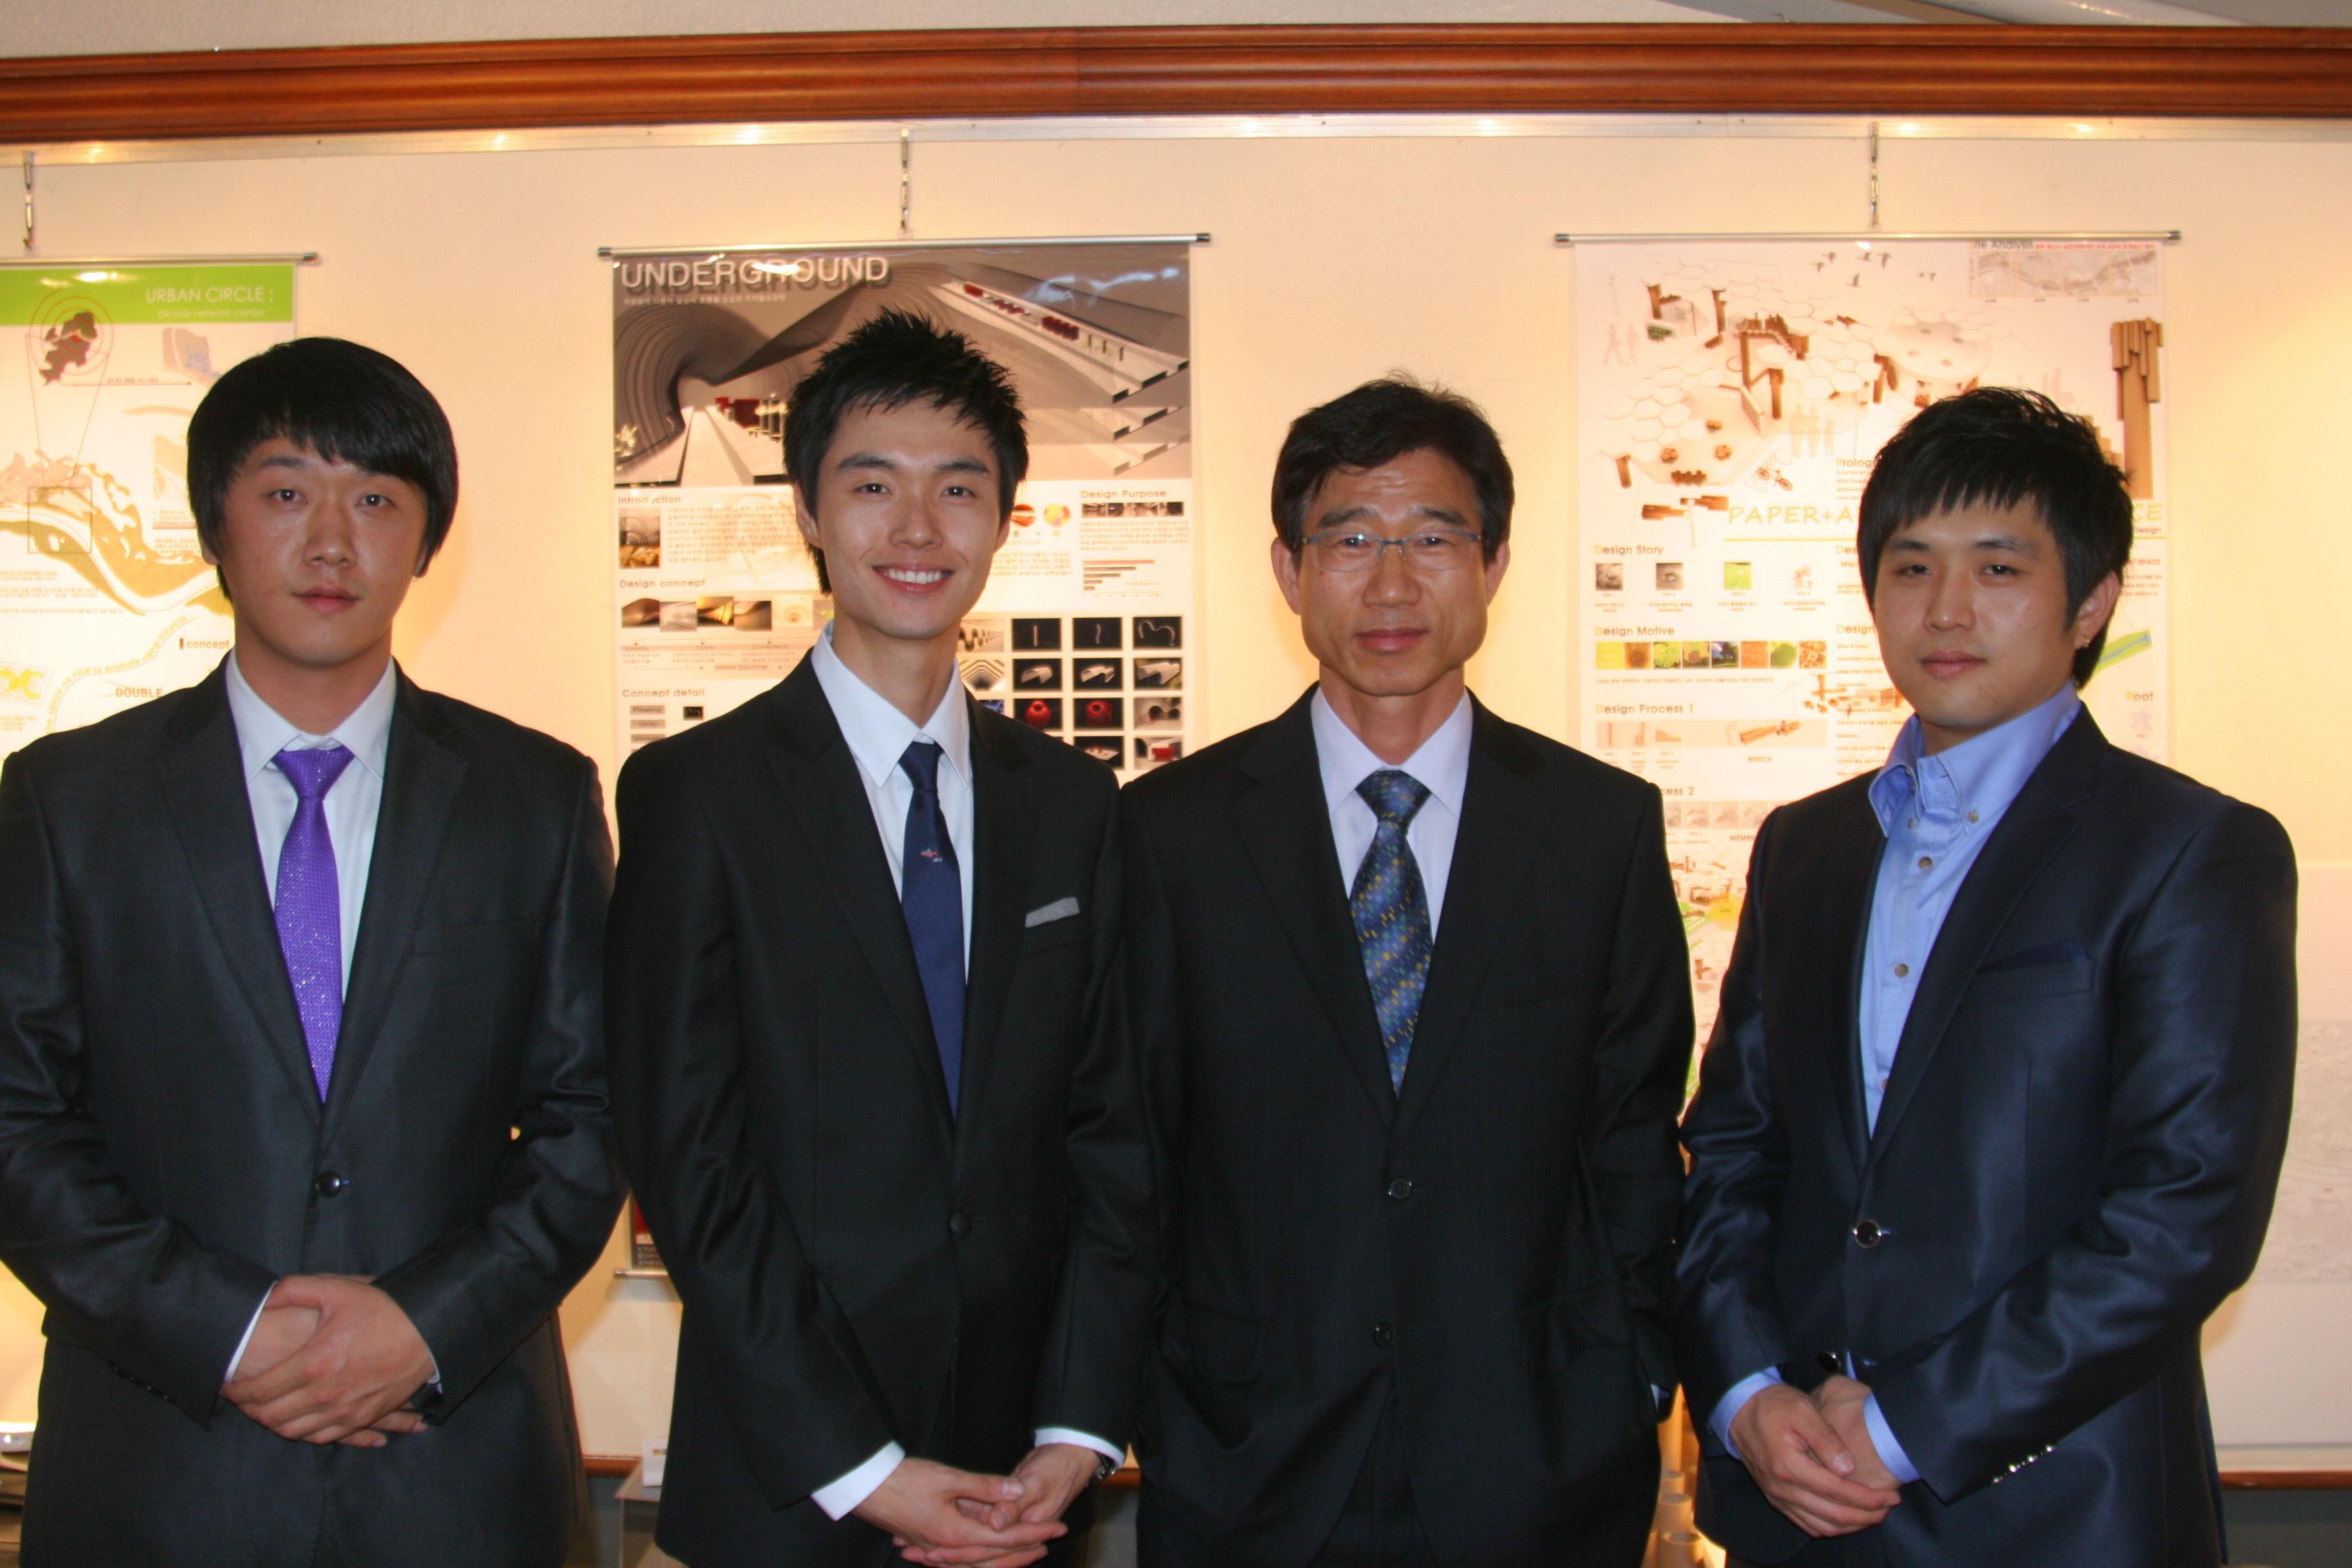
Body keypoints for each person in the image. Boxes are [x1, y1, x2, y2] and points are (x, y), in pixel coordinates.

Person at [0, 337, 622, 1565]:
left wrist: (424, 1324)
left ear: (428, 541)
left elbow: (594, 1112)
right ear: (213, 524)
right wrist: (228, 1330)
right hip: (160, 1468)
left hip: (456, 1469)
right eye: (287, 492)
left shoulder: (535, 797)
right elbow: (16, 1120)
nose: (333, 543)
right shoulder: (69, 800)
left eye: (377, 501)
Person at [1676, 387, 2297, 1565]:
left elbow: (2184, 1212)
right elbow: (1736, 1152)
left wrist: (1904, 1427)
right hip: (1801, 1508)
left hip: (2061, 1514)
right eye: (1911, 568)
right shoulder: (1807, 847)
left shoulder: (2188, 851)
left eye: (1999, 569)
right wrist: (1747, 1391)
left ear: (2092, 601)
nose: (1947, 609)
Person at [606, 310, 1153, 1568]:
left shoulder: (1072, 803)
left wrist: (1077, 1427)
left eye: (958, 488)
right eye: (871, 486)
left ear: (1005, 518)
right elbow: (690, 1164)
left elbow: (1113, 1136)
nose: (917, 529)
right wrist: (864, 1469)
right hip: (789, 1479)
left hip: (1022, 1483)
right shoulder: (698, 797)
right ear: (805, 510)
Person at [1122, 377, 1692, 1568]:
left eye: (1433, 539)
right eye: (1350, 540)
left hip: (1535, 1455)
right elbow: (1134, 1145)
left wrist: (1634, 1368)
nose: (1391, 584)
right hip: (1249, 1458)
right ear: (1289, 572)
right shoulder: (1170, 832)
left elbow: (1632, 1134)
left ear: (1493, 565)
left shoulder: (1600, 829)